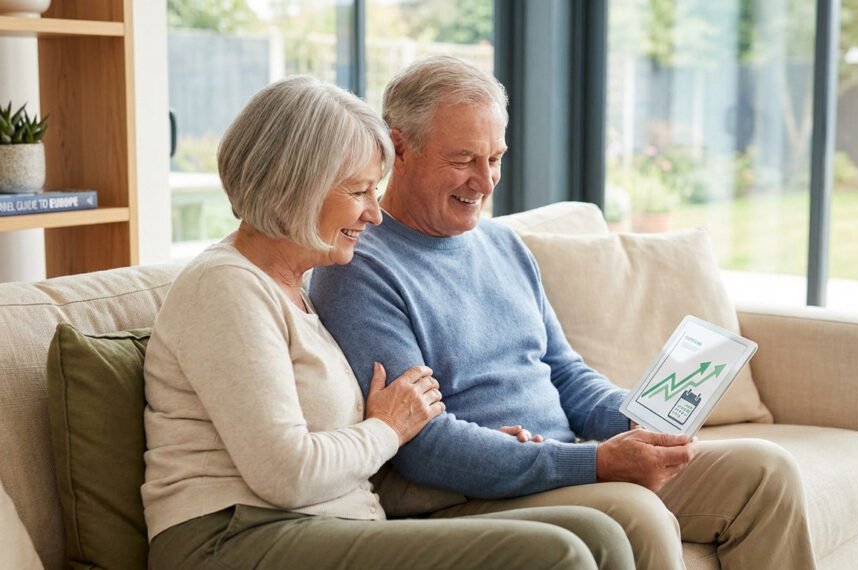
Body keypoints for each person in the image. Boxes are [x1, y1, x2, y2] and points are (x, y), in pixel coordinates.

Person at [309, 56, 817, 570]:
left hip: (562, 461)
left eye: (496, 158)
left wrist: (642, 414)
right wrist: (594, 462)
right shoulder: (359, 268)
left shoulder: (502, 244)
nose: (484, 182)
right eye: (463, 160)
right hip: (470, 497)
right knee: (637, 512)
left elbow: (565, 373)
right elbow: (424, 445)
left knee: (766, 471)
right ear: (400, 148)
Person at [141, 75, 637, 570]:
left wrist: (495, 450)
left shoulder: (295, 289)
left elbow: (352, 456)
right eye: (360, 191)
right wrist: (389, 427)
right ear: (298, 188)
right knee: (562, 554)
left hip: (322, 524)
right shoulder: (226, 287)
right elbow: (287, 473)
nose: (375, 215)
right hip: (233, 536)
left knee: (599, 535)